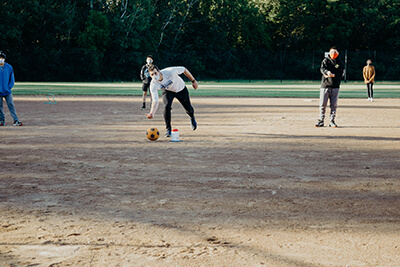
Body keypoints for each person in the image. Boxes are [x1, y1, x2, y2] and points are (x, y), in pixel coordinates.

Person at [145, 65, 198, 137]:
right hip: (168, 91)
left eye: (155, 73)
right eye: (152, 74)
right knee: (166, 107)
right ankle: (168, 129)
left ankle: (192, 117)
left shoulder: (170, 72)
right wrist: (152, 113)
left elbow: (184, 69)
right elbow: (155, 100)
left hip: (181, 89)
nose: (154, 76)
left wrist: (193, 81)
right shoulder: (153, 84)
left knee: (188, 108)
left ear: (159, 71)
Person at [315, 46, 345, 128]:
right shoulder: (326, 61)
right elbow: (322, 69)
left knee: (333, 105)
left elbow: (342, 72)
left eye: (335, 52)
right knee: (322, 104)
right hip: (325, 86)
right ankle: (321, 120)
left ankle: (332, 121)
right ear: (329, 53)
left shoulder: (339, 62)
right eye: (332, 52)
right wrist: (327, 72)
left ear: (338, 53)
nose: (334, 54)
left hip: (335, 86)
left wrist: (334, 75)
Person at [0, 51, 22, 126]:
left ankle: (16, 120)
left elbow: (12, 79)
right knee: (0, 107)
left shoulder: (9, 67)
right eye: (0, 58)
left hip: (7, 91)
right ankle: (1, 120)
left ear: (4, 58)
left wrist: (9, 87)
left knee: (11, 105)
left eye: (2, 58)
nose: (1, 59)